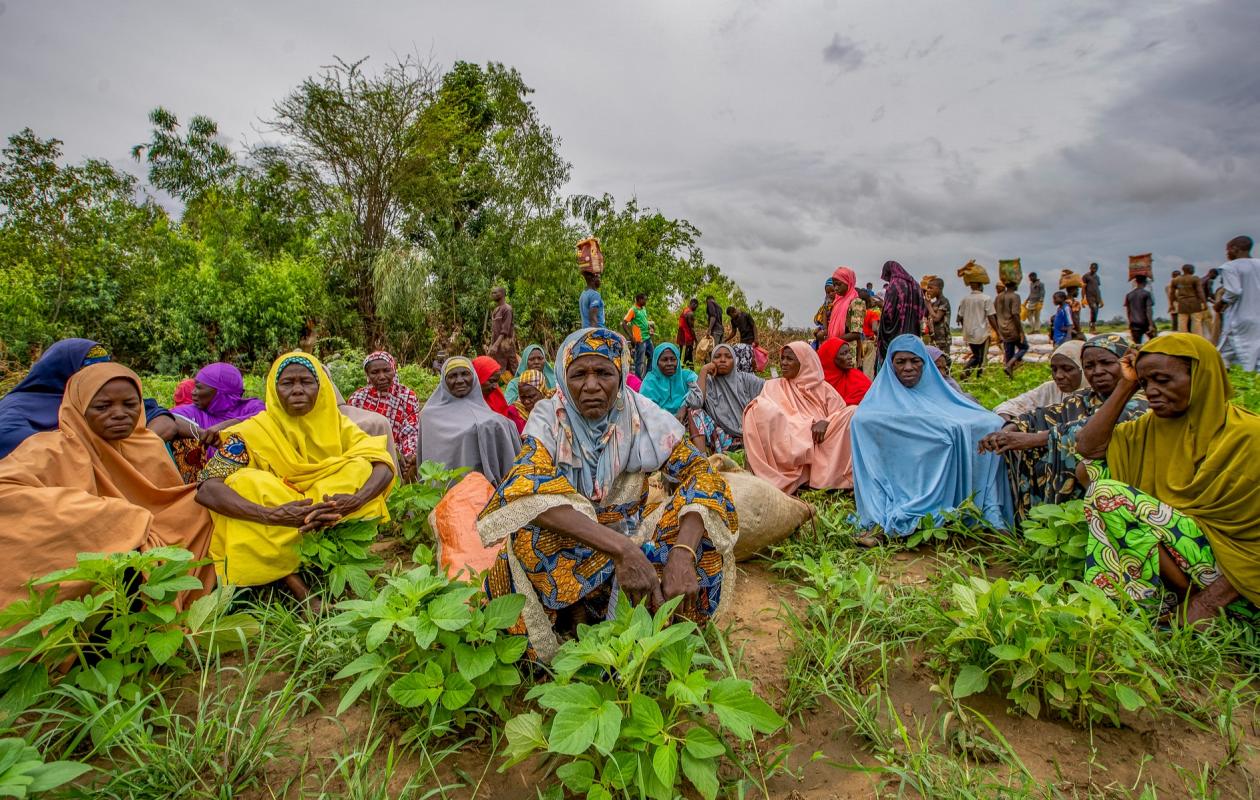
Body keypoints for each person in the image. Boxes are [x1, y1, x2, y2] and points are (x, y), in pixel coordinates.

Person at [477, 328, 737, 662]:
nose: (591, 385)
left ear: (621, 374)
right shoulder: (549, 418)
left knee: (702, 532)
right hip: (574, 544)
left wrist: (682, 554)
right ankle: (571, 625)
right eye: (579, 374)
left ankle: (661, 629)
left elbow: (701, 473)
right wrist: (622, 550)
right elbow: (525, 488)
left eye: (603, 373)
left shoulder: (642, 416)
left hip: (631, 538)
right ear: (562, 377)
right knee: (529, 538)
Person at [0, 363, 216, 611]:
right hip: (92, 553)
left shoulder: (147, 445)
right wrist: (107, 516)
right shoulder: (49, 450)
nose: (119, 414)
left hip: (151, 539)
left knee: (202, 508)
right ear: (79, 407)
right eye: (102, 407)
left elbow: (166, 504)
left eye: (130, 404)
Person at [1075, 334, 1258, 623]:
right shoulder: (1152, 427)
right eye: (1146, 384)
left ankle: (1197, 603)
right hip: (1187, 554)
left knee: (1107, 493)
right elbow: (1088, 447)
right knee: (1090, 472)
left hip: (1238, 575)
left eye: (1163, 380)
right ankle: (1171, 595)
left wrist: (1209, 603)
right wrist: (1127, 383)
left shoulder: (1249, 435)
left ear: (1200, 377)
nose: (1152, 392)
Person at [194, 353, 394, 598]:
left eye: (306, 382)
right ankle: (297, 586)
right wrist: (272, 514)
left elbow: (382, 463)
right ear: (273, 389)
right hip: (277, 514)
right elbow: (207, 486)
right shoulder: (251, 432)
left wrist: (355, 500)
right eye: (287, 383)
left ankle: (329, 567)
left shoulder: (339, 426)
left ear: (321, 387)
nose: (297, 390)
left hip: (330, 513)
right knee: (243, 482)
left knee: (361, 467)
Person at [850, 335, 1012, 546]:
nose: (908, 367)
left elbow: (973, 417)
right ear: (891, 365)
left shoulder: (937, 391)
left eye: (915, 361)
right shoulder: (881, 396)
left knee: (989, 426)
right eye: (900, 362)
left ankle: (986, 512)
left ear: (925, 364)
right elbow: (864, 420)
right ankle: (881, 523)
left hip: (930, 462)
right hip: (898, 470)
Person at [980, 335, 1147, 522]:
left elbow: (1087, 430)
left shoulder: (1141, 399)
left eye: (1107, 363)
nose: (1097, 371)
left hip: (1125, 480)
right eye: (1090, 366)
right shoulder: (1084, 397)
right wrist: (1009, 431)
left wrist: (1031, 439)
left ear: (1126, 364)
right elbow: (1041, 416)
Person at [0, 338, 184, 460]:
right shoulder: (15, 410)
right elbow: (30, 453)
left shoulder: (106, 394)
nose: (100, 377)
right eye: (90, 372)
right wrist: (104, 452)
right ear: (62, 371)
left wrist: (136, 447)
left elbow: (162, 419)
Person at [742, 342, 857, 493]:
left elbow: (840, 416)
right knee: (756, 408)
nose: (783, 363)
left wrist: (826, 422)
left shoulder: (824, 389)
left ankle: (827, 479)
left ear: (804, 362)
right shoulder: (773, 386)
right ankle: (787, 475)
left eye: (789, 359)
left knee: (853, 411)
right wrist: (805, 428)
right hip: (788, 441)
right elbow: (773, 418)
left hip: (821, 440)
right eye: (782, 358)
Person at [419, 357, 520, 484]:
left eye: (465, 374)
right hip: (440, 494)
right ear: (443, 381)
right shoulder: (429, 416)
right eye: (453, 376)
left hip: (480, 493)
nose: (460, 380)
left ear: (475, 377)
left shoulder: (494, 420)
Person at [346, 352, 420, 480]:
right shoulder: (357, 399)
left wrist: (408, 455)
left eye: (386, 370)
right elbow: (352, 432)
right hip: (367, 453)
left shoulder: (407, 396)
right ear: (367, 375)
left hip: (400, 454)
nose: (381, 377)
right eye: (375, 372)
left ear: (394, 370)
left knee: (410, 471)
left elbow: (410, 431)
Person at [683, 343, 764, 454]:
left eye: (728, 356)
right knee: (694, 412)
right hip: (721, 439)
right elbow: (695, 403)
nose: (722, 360)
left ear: (735, 360)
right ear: (711, 360)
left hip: (748, 437)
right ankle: (702, 462)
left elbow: (771, 391)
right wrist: (704, 370)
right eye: (717, 357)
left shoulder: (746, 379)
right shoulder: (707, 383)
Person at [993, 340, 1085, 420]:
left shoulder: (1095, 398)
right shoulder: (1051, 389)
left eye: (1067, 369)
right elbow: (1010, 406)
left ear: (1084, 369)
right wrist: (1007, 421)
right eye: (1054, 369)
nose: (1058, 376)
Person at [1216, 236, 1260, 371]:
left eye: (1227, 250)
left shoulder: (1230, 267)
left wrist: (1221, 303)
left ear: (1235, 249)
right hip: (1257, 316)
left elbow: (1234, 291)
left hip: (1239, 317)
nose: (1226, 254)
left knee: (1244, 352)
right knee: (1253, 350)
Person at [875, 261, 930, 371]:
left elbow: (888, 313)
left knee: (892, 365)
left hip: (894, 335)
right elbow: (922, 310)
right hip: (912, 334)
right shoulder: (915, 285)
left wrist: (882, 332)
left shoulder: (894, 284)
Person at [640, 342, 698, 419]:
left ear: (678, 360)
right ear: (656, 362)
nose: (669, 363)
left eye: (673, 359)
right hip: (659, 423)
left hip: (687, 419)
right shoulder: (650, 381)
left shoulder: (687, 375)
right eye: (664, 360)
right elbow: (646, 408)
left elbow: (698, 389)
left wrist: (684, 406)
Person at [825, 266, 867, 368]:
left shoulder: (856, 302)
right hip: (835, 351)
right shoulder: (838, 302)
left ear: (848, 282)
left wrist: (834, 341)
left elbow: (856, 333)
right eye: (834, 285)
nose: (836, 288)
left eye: (839, 284)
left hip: (848, 353)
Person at [473, 355, 526, 434]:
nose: (495, 386)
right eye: (491, 381)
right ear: (478, 377)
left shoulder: (496, 396)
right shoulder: (468, 403)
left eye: (497, 382)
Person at [956, 280, 999, 377]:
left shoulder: (965, 299)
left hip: (969, 334)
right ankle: (972, 374)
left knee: (976, 355)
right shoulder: (986, 299)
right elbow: (991, 317)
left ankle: (967, 373)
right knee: (982, 358)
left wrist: (965, 328)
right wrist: (997, 331)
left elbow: (960, 317)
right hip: (982, 333)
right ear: (981, 286)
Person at [818, 338, 872, 405]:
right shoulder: (818, 384)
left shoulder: (857, 377)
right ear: (830, 358)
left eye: (849, 352)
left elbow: (869, 396)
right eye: (844, 353)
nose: (850, 357)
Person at [995, 282, 1029, 376]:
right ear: (1014, 285)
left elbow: (994, 314)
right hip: (1013, 329)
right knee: (1024, 347)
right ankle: (1009, 365)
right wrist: (1021, 331)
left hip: (1003, 329)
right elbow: (1015, 315)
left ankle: (1009, 376)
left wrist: (998, 329)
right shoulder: (1015, 296)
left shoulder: (998, 297)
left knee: (1009, 353)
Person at [487, 286, 519, 374]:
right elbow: (494, 330)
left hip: (506, 345)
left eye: (495, 293)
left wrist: (496, 345)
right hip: (497, 344)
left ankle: (519, 384)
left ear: (502, 294)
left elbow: (505, 330)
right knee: (497, 367)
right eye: (492, 293)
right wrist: (492, 344)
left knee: (513, 368)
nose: (493, 295)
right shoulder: (496, 310)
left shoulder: (507, 309)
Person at [1172, 264, 1208, 337]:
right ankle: (1198, 339)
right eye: (1193, 269)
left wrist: (1171, 304)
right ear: (1190, 269)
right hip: (1194, 302)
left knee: (1182, 323)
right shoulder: (1195, 279)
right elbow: (1200, 291)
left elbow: (1171, 293)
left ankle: (1183, 340)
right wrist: (1204, 303)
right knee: (1196, 322)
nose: (1194, 270)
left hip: (1182, 303)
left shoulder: (1176, 280)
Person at [622, 293, 652, 378]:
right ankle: (638, 380)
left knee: (652, 356)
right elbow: (624, 323)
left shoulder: (643, 309)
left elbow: (644, 321)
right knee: (640, 361)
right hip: (640, 340)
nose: (645, 301)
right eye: (644, 300)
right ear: (639, 300)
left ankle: (648, 377)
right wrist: (631, 337)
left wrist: (649, 328)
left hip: (648, 338)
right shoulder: (633, 310)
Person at [1125, 275, 1157, 345]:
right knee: (1154, 343)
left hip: (1134, 324)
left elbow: (1128, 311)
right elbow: (1149, 310)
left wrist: (1129, 323)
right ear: (1145, 282)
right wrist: (1151, 325)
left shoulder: (1129, 295)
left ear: (1136, 282)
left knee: (1136, 345)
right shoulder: (1146, 294)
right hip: (1145, 322)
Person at [924, 277, 952, 357]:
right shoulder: (934, 303)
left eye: (931, 288)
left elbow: (936, 318)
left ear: (939, 289)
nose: (928, 290)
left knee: (944, 363)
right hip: (933, 338)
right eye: (928, 288)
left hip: (943, 339)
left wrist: (928, 305)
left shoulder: (944, 301)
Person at [812, 278, 836, 348]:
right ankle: (821, 349)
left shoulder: (840, 303)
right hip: (826, 325)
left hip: (835, 326)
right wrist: (825, 329)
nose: (830, 294)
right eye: (828, 292)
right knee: (817, 333)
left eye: (832, 291)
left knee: (820, 335)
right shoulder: (827, 303)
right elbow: (824, 316)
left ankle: (823, 348)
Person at [1202, 268, 1222, 344]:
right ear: (1211, 273)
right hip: (1205, 303)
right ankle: (1212, 339)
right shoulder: (1209, 280)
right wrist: (1217, 301)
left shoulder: (1202, 279)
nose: (1216, 277)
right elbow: (1210, 294)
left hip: (1201, 303)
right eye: (1216, 275)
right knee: (1210, 321)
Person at [677, 298, 699, 367]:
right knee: (685, 356)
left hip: (681, 335)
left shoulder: (685, 310)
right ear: (693, 304)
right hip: (686, 337)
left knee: (684, 355)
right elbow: (691, 328)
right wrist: (696, 340)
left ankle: (690, 369)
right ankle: (683, 370)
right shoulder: (690, 314)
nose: (696, 308)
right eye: (696, 306)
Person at [1083, 263, 1103, 334]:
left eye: (1095, 268)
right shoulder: (1086, 276)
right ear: (1090, 267)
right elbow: (1083, 288)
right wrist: (1083, 298)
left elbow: (1098, 289)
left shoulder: (1097, 277)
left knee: (1096, 311)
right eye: (1093, 268)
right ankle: (1092, 324)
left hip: (1097, 296)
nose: (1094, 269)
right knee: (1093, 308)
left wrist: (1101, 300)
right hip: (1089, 296)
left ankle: (1093, 326)